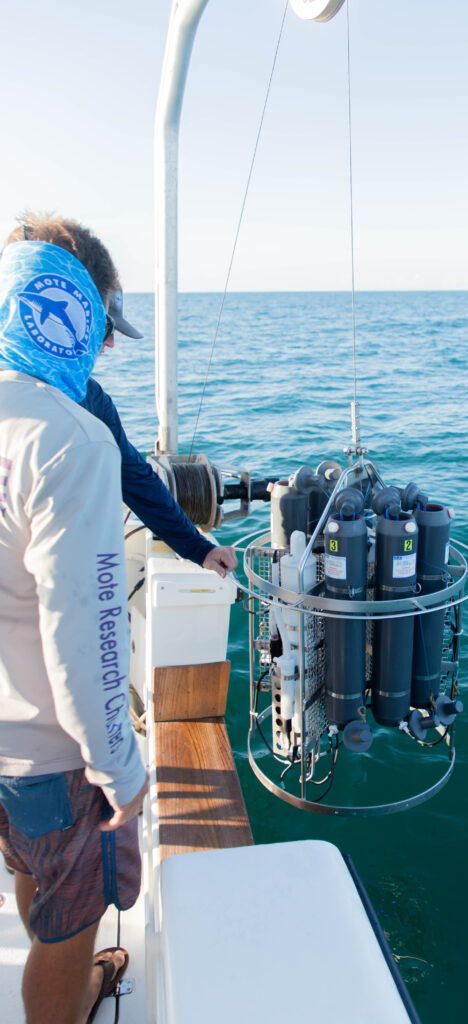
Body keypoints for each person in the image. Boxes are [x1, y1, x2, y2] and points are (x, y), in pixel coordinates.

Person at [0, 221, 148, 1023]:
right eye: (101, 328)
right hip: (56, 758)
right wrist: (120, 770)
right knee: (70, 928)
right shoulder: (72, 439)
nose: (106, 351)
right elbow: (83, 629)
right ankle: (70, 992)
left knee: (30, 870)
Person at [4, 214, 238, 579]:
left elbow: (135, 478)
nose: (110, 342)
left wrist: (199, 548)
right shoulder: (84, 434)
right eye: (105, 325)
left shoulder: (91, 403)